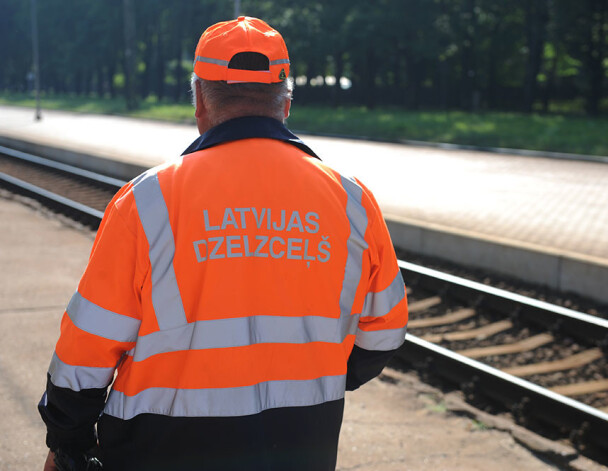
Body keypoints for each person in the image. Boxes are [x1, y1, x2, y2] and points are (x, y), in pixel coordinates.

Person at [38, 16, 408, 471]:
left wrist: (68, 438)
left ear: (199, 102)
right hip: (301, 445)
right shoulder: (351, 200)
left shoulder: (147, 200)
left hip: (159, 448)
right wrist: (319, 379)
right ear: (285, 103)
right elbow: (385, 331)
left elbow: (88, 346)